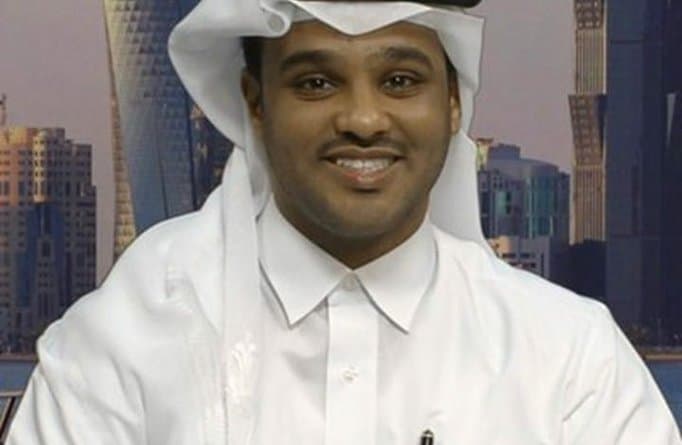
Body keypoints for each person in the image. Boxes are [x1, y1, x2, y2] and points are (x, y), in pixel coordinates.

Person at [7, 0, 682, 443]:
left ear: (452, 102)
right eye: (316, 83)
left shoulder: (568, 359)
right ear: (255, 102)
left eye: (400, 81)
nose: (362, 119)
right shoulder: (124, 342)